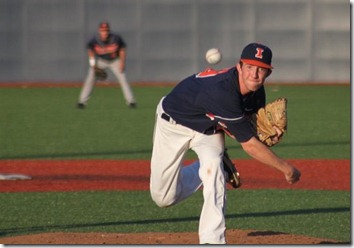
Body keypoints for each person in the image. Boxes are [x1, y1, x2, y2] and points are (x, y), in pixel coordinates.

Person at [149, 42, 301, 244]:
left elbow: (248, 126)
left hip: (209, 129)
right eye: (249, 67)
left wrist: (268, 131)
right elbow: (250, 145)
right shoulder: (223, 92)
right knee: (164, 198)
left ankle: (213, 239)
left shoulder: (257, 93)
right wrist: (287, 168)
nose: (254, 74)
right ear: (239, 67)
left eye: (261, 69)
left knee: (214, 172)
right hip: (173, 124)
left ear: (268, 73)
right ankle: (214, 167)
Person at [77, 22, 137, 109]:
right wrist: (93, 65)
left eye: (106, 30)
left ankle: (131, 102)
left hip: (115, 61)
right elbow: (90, 51)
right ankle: (82, 102)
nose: (104, 32)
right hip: (101, 61)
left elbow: (122, 50)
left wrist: (122, 63)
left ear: (109, 31)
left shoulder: (116, 38)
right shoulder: (95, 40)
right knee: (90, 78)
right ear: (99, 31)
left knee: (123, 78)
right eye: (102, 30)